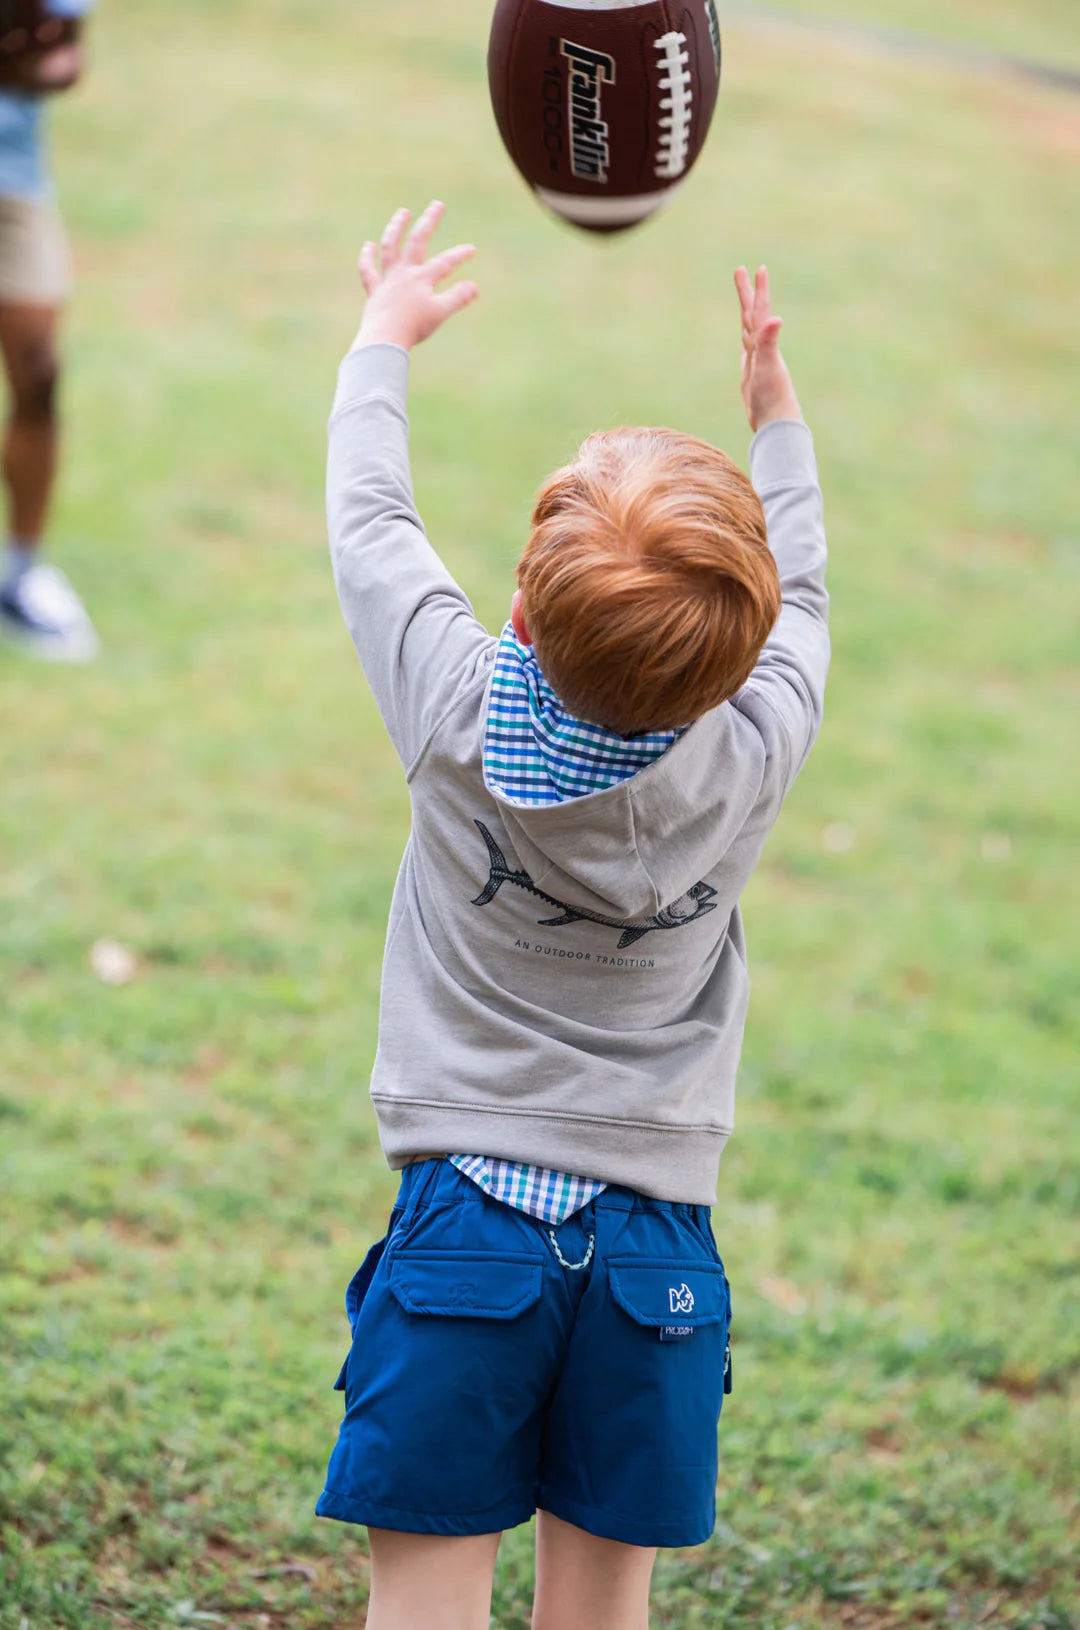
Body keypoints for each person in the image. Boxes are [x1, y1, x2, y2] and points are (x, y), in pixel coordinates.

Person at [316, 201, 829, 1630]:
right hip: (659, 1256)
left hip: (463, 1231)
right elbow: (815, 600)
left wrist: (383, 331)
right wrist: (775, 415)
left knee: (423, 1600)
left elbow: (371, 519)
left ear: (525, 618)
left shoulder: (451, 705)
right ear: (742, 653)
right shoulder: (762, 739)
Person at [0, 0, 97, 661]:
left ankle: (22, 572)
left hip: (13, 177)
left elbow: (64, 48)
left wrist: (45, 63)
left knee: (39, 373)